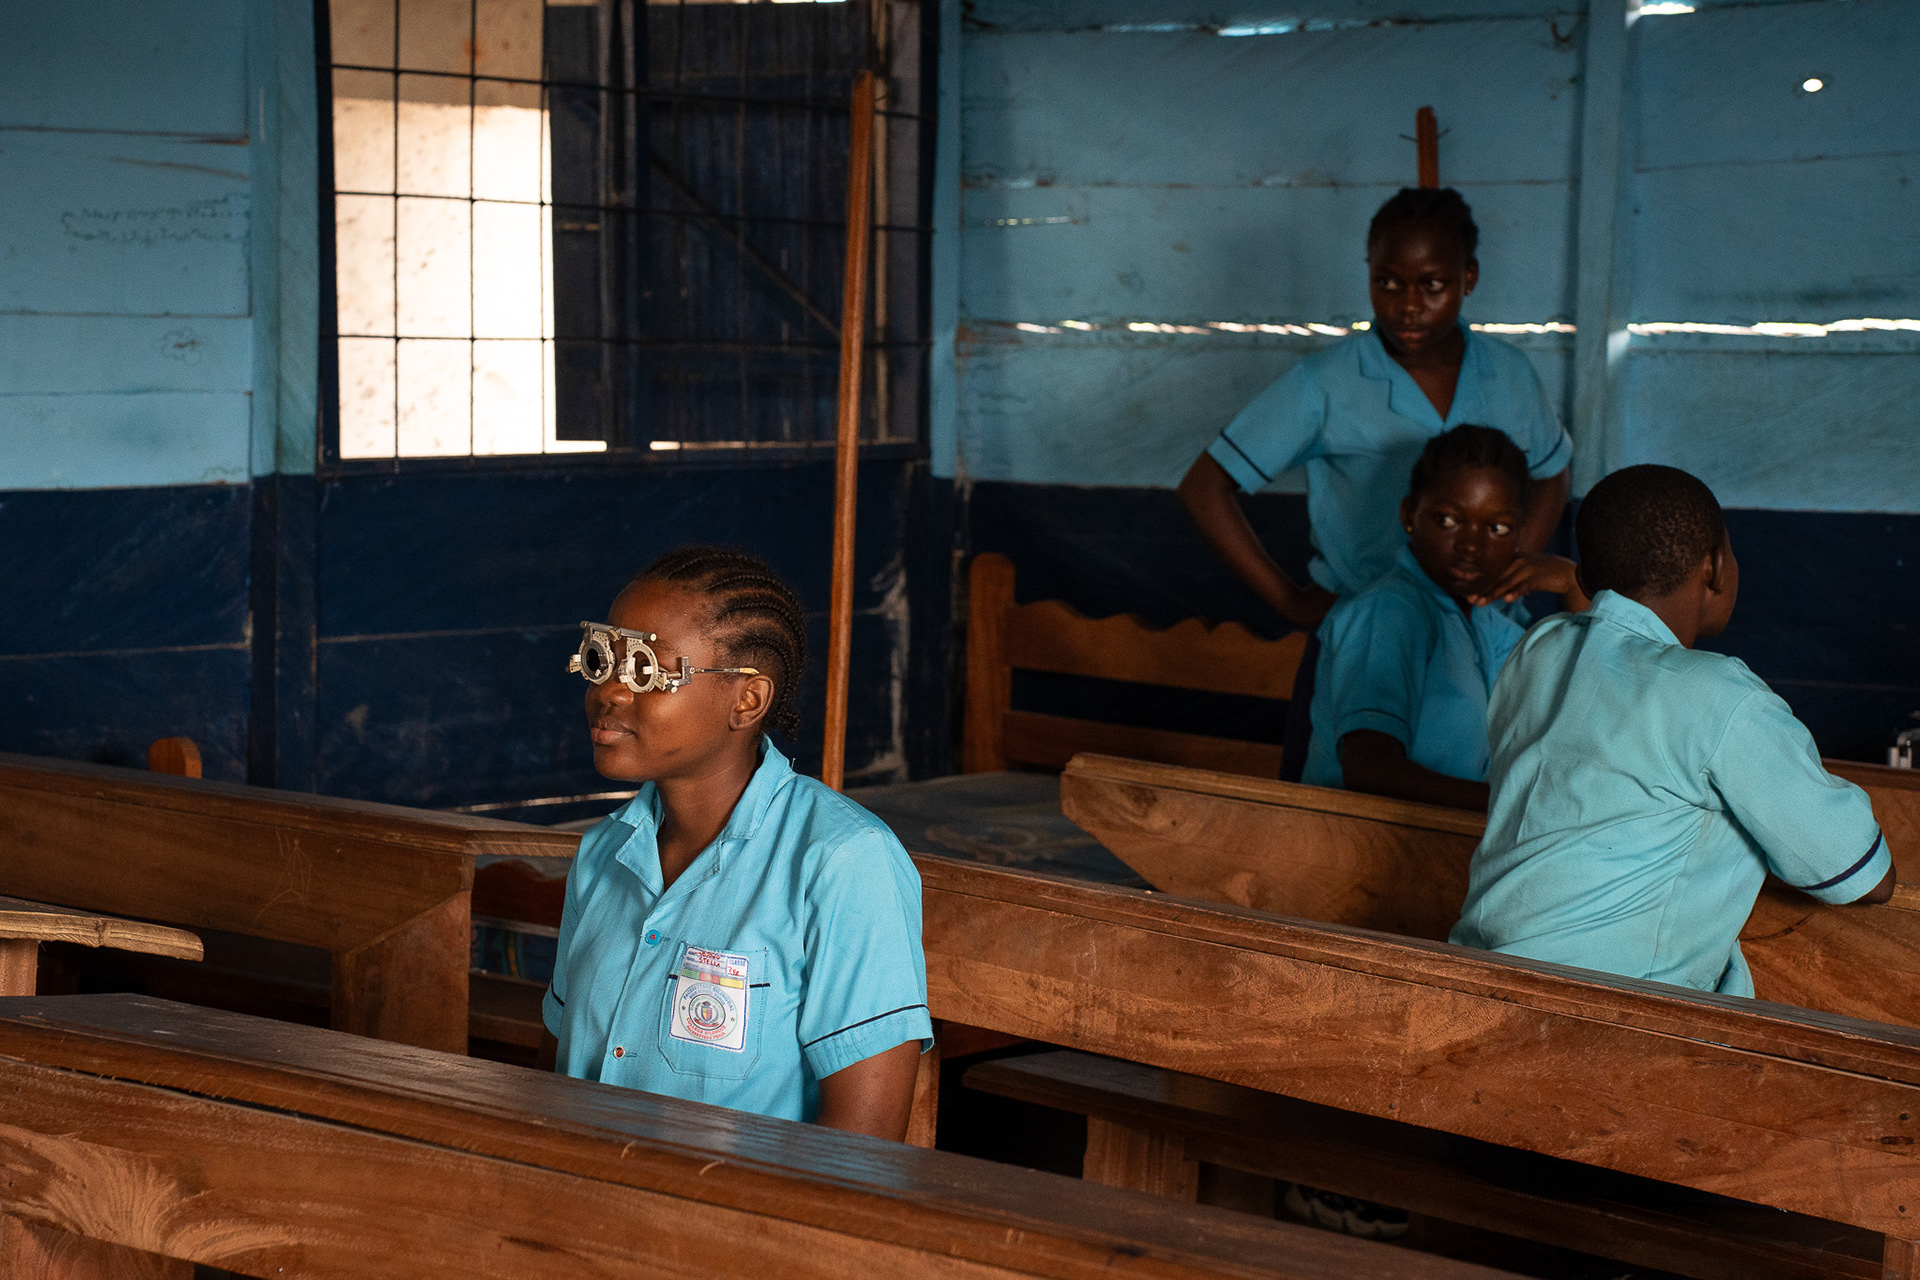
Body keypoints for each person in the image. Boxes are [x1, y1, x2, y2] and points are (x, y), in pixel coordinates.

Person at [1451, 465, 1894, 996]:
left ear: (1585, 581)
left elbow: (1599, 653)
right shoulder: (1722, 697)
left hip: (1471, 977)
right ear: (1716, 568)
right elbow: (1867, 878)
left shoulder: (1537, 649)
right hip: (1608, 1010)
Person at [538, 547, 932, 1139]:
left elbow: (864, 1136)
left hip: (740, 1200)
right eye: (603, 661)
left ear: (747, 700)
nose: (610, 693)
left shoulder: (843, 862)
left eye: (645, 671)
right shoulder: (602, 855)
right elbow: (555, 1082)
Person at [1178, 187, 1573, 632]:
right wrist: (1292, 602)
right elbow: (1204, 487)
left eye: (1432, 285)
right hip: (1371, 633)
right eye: (1387, 282)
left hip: (1489, 629)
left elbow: (1552, 472)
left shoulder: (1510, 373)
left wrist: (1510, 569)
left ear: (1469, 277)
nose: (1408, 306)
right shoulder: (1325, 383)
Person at [1303, 425, 1586, 811]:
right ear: (1409, 515)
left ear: (1520, 535)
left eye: (1498, 528)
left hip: (1444, 836)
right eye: (1448, 521)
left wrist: (1572, 582)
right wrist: (1504, 811)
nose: (1471, 545)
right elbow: (1368, 769)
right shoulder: (1388, 612)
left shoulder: (1493, 628)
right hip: (1351, 836)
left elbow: (1593, 702)